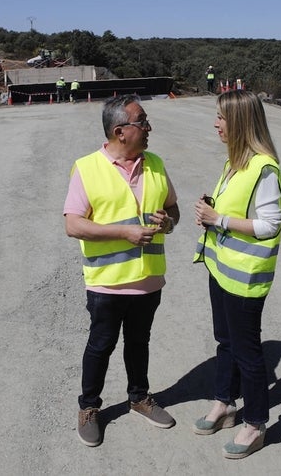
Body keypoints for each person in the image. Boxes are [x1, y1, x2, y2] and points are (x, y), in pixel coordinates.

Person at [64, 94, 180, 447]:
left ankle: (139, 397)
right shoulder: (87, 168)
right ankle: (89, 408)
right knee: (101, 345)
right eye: (142, 121)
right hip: (107, 284)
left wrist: (167, 223)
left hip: (148, 281)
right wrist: (123, 232)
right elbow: (73, 225)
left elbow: (172, 210)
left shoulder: (156, 163)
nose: (149, 128)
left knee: (139, 342)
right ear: (120, 131)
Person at [192, 89, 281, 460]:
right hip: (222, 269)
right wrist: (210, 210)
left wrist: (220, 219)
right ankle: (225, 404)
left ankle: (256, 423)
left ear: (241, 122)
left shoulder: (264, 167)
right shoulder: (235, 163)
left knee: (247, 351)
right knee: (225, 341)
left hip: (245, 278)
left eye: (222, 117)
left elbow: (270, 225)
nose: (216, 124)